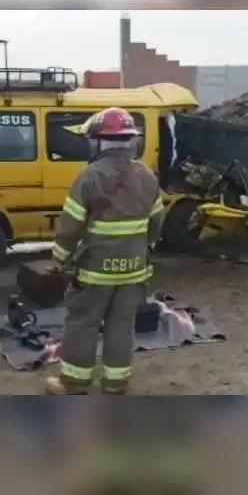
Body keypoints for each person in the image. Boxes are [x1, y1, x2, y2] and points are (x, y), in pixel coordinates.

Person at [46, 107, 164, 395]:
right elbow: (156, 224)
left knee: (83, 324)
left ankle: (74, 383)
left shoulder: (89, 176)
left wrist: (60, 259)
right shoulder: (148, 177)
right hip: (134, 271)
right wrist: (142, 249)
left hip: (95, 272)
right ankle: (115, 384)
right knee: (121, 326)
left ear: (97, 142)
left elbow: (70, 227)